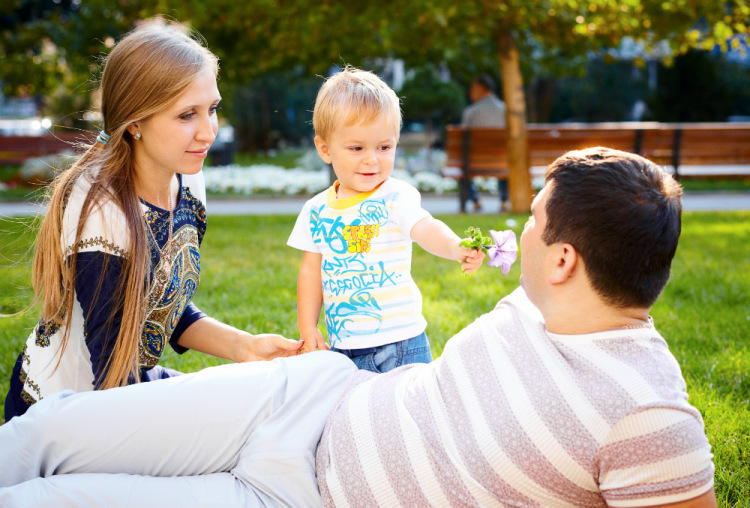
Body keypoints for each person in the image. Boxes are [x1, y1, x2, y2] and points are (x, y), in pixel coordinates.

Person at [0, 147, 716, 507]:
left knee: (49, 503)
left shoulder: (647, 417)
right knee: (50, 429)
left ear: (563, 259)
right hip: (307, 394)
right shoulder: (542, 303)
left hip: (301, 496)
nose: (518, 236)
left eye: (531, 223)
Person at [2, 21, 302, 422]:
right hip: (68, 416)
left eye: (211, 109)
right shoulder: (102, 211)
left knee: (274, 409)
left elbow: (160, 302)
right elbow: (113, 381)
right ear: (135, 122)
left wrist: (244, 346)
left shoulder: (188, 176)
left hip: (131, 386)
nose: (208, 131)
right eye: (186, 116)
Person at [287, 66, 485, 371]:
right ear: (325, 149)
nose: (372, 159)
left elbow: (424, 227)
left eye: (384, 147)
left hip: (400, 342)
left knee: (410, 414)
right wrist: (308, 328)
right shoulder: (315, 211)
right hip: (344, 346)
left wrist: (454, 246)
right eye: (356, 148)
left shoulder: (395, 196)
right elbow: (311, 273)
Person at [460, 74, 510, 212]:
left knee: (461, 165)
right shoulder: (506, 110)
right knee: (505, 158)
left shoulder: (471, 112)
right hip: (503, 161)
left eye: (473, 88)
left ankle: (475, 200)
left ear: (482, 88)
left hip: (473, 162)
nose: (470, 92)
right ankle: (504, 200)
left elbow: (461, 143)